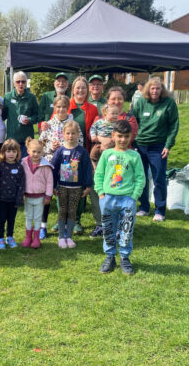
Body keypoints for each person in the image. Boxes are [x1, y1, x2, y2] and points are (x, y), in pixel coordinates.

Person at [95, 120, 146, 275]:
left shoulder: (134, 156)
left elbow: (140, 178)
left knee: (126, 230)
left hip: (127, 200)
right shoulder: (106, 154)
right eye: (119, 136)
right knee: (108, 229)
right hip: (108, 199)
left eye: (126, 136)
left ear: (131, 136)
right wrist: (101, 194)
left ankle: (125, 257)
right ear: (113, 135)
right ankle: (110, 257)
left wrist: (133, 197)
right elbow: (99, 175)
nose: (123, 140)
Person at [87, 86, 139, 239]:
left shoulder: (129, 119)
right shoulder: (100, 118)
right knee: (99, 190)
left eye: (120, 98)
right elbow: (93, 134)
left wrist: (107, 143)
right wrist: (101, 141)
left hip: (121, 161)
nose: (116, 101)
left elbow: (131, 136)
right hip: (102, 159)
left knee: (117, 190)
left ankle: (117, 226)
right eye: (113, 99)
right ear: (107, 101)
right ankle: (100, 224)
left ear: (124, 100)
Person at [132, 77, 179, 222]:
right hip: (140, 145)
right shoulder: (141, 102)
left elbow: (174, 125)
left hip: (158, 147)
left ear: (162, 90)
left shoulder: (168, 103)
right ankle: (144, 207)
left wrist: (168, 145)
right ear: (148, 89)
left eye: (158, 88)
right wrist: (132, 143)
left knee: (159, 178)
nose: (155, 91)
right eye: (152, 88)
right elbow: (133, 122)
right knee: (141, 178)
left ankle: (160, 210)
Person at [37, 95, 82, 239]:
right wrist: (51, 146)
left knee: (67, 192)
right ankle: (51, 222)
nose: (61, 109)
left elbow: (80, 143)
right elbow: (40, 144)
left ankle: (70, 220)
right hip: (51, 163)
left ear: (67, 108)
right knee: (52, 192)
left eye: (64, 107)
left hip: (69, 163)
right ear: (54, 108)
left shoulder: (73, 124)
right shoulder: (48, 124)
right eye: (58, 107)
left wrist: (63, 146)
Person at [51, 121, 93, 249]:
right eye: (68, 133)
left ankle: (69, 236)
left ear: (77, 134)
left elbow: (87, 169)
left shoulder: (82, 152)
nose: (70, 136)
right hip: (62, 188)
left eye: (73, 133)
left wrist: (88, 186)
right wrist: (53, 185)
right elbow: (53, 168)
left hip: (77, 188)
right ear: (63, 134)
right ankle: (61, 237)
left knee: (72, 211)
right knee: (62, 211)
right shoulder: (60, 151)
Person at [66, 76, 98, 235]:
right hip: (67, 153)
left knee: (80, 186)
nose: (80, 91)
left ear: (88, 91)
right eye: (77, 88)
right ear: (72, 90)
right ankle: (64, 218)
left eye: (83, 88)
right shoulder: (66, 106)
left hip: (84, 152)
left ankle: (77, 219)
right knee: (66, 184)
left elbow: (96, 129)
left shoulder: (92, 108)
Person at [20, 138, 53, 249]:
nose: (36, 154)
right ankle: (28, 237)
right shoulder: (23, 163)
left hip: (40, 197)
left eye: (39, 152)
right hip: (28, 196)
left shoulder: (45, 165)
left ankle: (36, 238)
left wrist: (48, 195)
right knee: (29, 217)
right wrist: (21, 194)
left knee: (38, 218)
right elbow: (20, 180)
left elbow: (49, 181)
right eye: (33, 151)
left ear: (42, 152)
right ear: (28, 150)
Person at [0, 139, 24, 250]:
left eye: (14, 151)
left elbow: (22, 184)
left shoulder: (19, 167)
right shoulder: (0, 166)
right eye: (8, 151)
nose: (11, 154)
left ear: (18, 152)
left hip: (14, 199)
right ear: (3, 152)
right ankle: (0, 238)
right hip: (2, 198)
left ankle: (10, 237)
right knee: (1, 219)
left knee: (11, 219)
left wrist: (19, 198)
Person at [3, 71, 39, 157]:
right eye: (18, 81)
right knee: (12, 163)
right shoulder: (8, 97)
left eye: (23, 81)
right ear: (14, 83)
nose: (20, 84)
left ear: (26, 83)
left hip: (27, 139)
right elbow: (3, 115)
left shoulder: (31, 97)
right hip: (12, 138)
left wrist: (29, 120)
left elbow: (37, 115)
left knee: (26, 164)